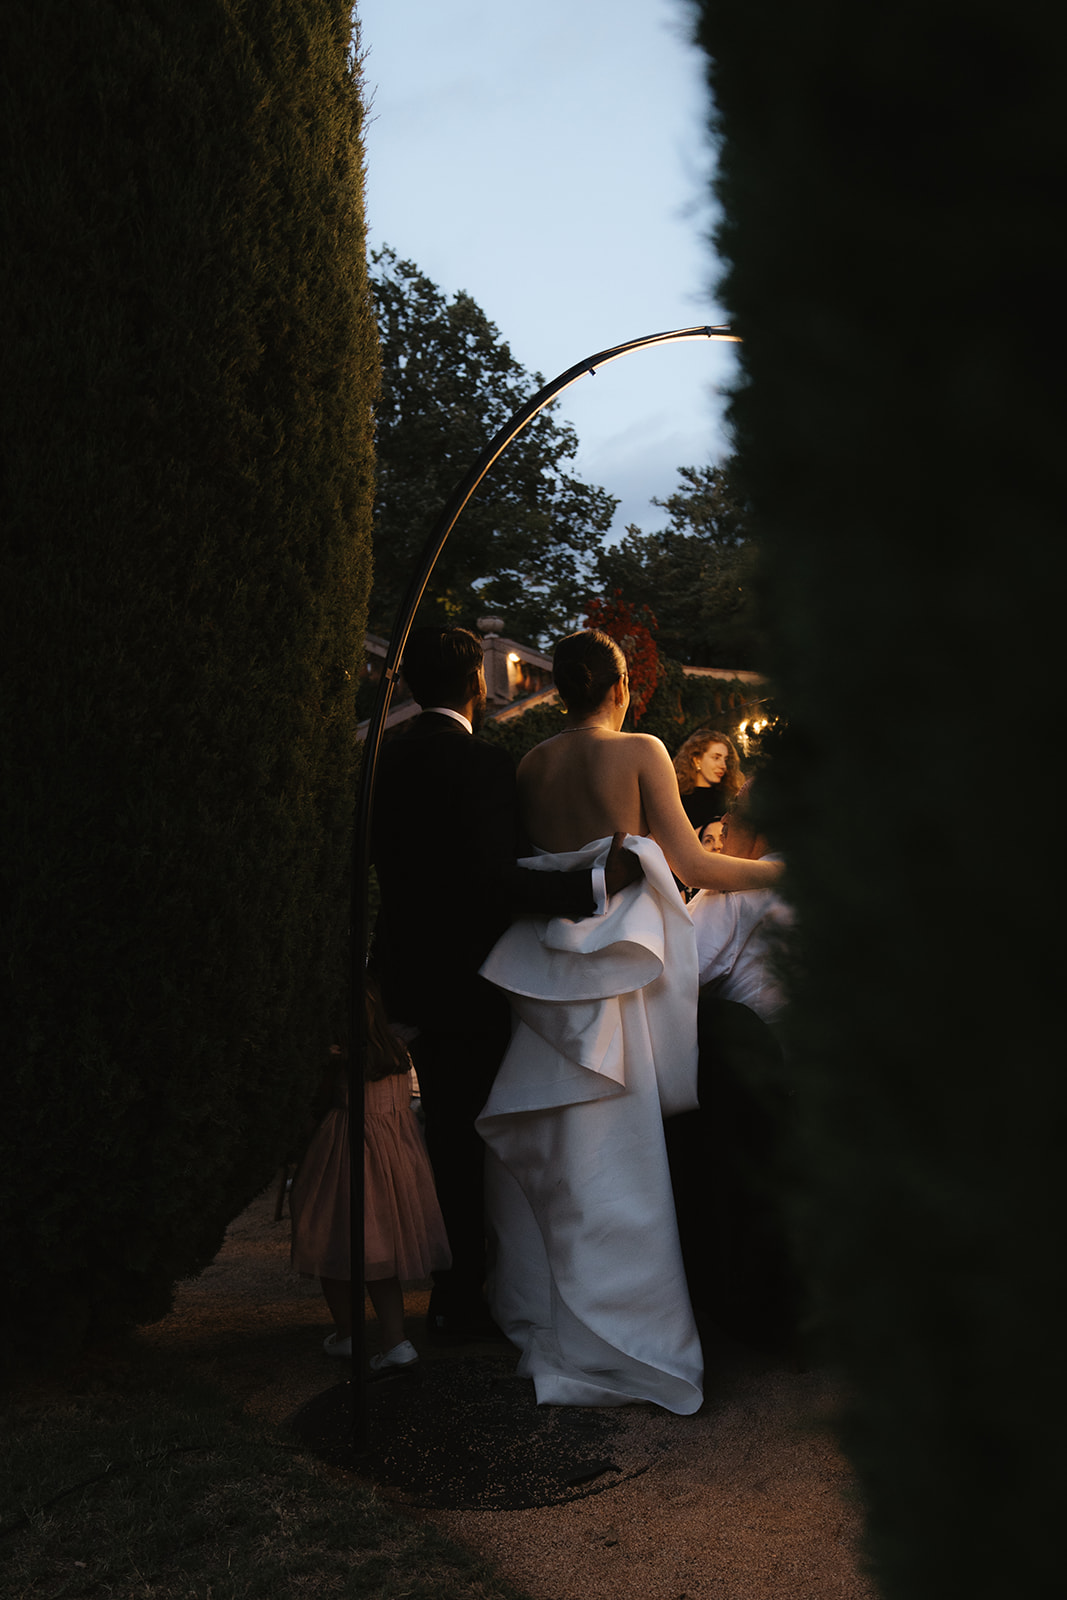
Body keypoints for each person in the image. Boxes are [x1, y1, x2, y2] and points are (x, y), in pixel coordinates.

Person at [476, 630, 783, 1411]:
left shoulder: (531, 762)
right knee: (622, 1149)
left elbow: (545, 873)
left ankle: (553, 1309)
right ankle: (627, 1327)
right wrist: (781, 868)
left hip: (548, 965)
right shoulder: (642, 748)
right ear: (620, 686)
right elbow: (695, 866)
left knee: (561, 1141)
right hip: (616, 968)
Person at [369, 626, 641, 1344]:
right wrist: (592, 884)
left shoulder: (381, 759)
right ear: (476, 685)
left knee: (442, 1134)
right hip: (473, 980)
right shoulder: (484, 765)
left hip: (406, 976)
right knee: (482, 1136)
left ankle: (451, 1286)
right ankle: (466, 1293)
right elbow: (493, 882)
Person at [289, 979, 451, 1372]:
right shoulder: (398, 1053)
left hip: (347, 1156)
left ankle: (348, 1334)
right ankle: (396, 1340)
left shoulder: (340, 1060)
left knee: (331, 1243)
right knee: (381, 1255)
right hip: (396, 1159)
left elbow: (321, 1105)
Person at [673, 728, 744, 835]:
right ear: (697, 760)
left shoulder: (729, 800)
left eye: (725, 760)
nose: (723, 766)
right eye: (716, 758)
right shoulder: (676, 800)